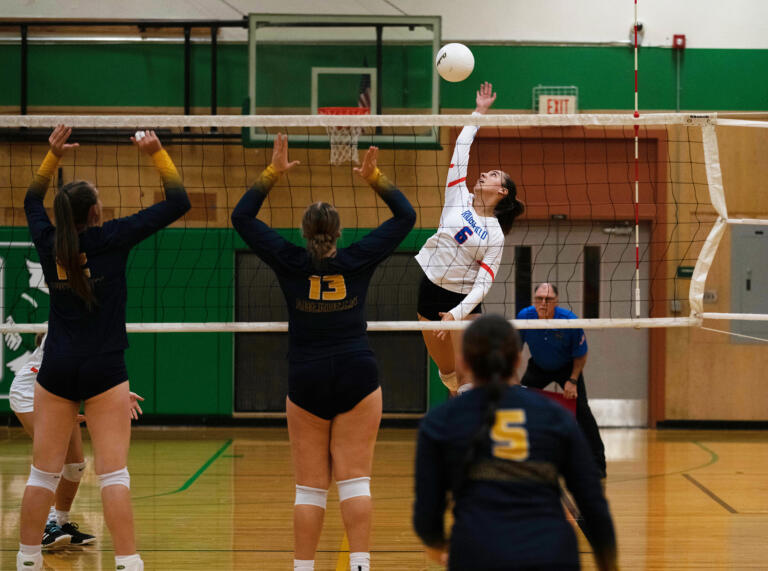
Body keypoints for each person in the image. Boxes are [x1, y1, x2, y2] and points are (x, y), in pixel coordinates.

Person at [231, 134, 416, 571]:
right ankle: (360, 565)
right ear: (337, 233)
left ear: (304, 233)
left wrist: (273, 171)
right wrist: (375, 178)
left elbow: (241, 217)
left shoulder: (289, 260)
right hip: (357, 373)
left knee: (310, 489)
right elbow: (406, 216)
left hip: (307, 378)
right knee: (355, 482)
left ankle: (303, 568)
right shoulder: (357, 259)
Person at [17, 125, 190, 571]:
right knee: (114, 475)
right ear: (95, 212)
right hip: (105, 369)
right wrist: (156, 154)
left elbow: (31, 202)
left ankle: (27, 559)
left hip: (56, 368)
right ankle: (128, 562)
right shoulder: (113, 237)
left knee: (42, 474)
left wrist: (52, 156)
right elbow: (178, 203)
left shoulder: (47, 241)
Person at [413, 314, 618, 571]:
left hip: (477, 553)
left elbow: (427, 519)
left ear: (463, 362)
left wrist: (442, 549)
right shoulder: (555, 417)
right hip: (551, 553)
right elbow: (593, 505)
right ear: (518, 360)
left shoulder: (440, 422)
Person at [416, 82, 524, 395]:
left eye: (492, 175)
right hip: (429, 292)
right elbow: (462, 148)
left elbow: (483, 284)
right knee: (449, 376)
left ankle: (475, 437)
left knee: (469, 380)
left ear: (501, 191)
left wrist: (458, 312)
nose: (484, 174)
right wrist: (479, 112)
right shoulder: (457, 196)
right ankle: (460, 425)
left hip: (462, 300)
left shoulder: (495, 234)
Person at [9, 331, 145, 550]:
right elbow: (75, 371)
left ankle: (60, 523)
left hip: (61, 394)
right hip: (29, 395)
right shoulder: (61, 331)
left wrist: (118, 393)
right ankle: (45, 526)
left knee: (75, 467)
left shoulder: (92, 326)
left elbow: (90, 370)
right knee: (53, 462)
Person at [517, 283, 607, 478]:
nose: (543, 303)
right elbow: (514, 350)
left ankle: (598, 464)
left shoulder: (569, 321)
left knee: (582, 412)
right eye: (539, 299)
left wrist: (573, 381)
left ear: (556, 302)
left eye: (547, 300)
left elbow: (581, 355)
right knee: (519, 405)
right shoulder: (525, 316)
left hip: (567, 367)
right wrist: (514, 379)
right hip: (538, 367)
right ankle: (522, 460)